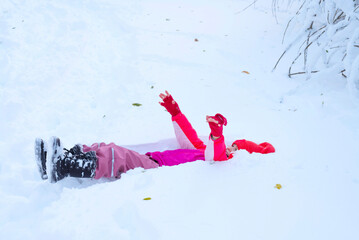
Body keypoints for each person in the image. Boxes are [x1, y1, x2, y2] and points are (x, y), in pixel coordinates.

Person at [34, 91, 275, 183]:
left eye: (235, 150)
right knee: (107, 147)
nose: (231, 149)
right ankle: (64, 158)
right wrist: (176, 112)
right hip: (153, 159)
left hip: (157, 168)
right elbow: (188, 137)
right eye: (232, 145)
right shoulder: (202, 151)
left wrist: (217, 134)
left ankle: (64, 167)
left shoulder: (217, 161)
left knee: (118, 156)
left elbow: (216, 153)